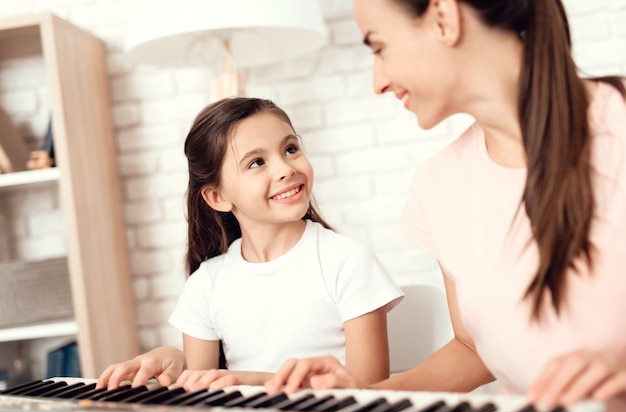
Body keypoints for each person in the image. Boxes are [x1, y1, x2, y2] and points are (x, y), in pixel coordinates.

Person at [265, 0, 626, 412]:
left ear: (443, 17)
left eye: (379, 47)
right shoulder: (437, 186)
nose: (377, 82)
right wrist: (364, 392)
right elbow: (473, 349)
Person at [97, 97, 403, 392]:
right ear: (218, 197)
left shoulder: (347, 261)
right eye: (257, 162)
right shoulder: (207, 284)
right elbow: (200, 393)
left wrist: (256, 381)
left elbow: (370, 391)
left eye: (291, 149)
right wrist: (174, 359)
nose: (285, 169)